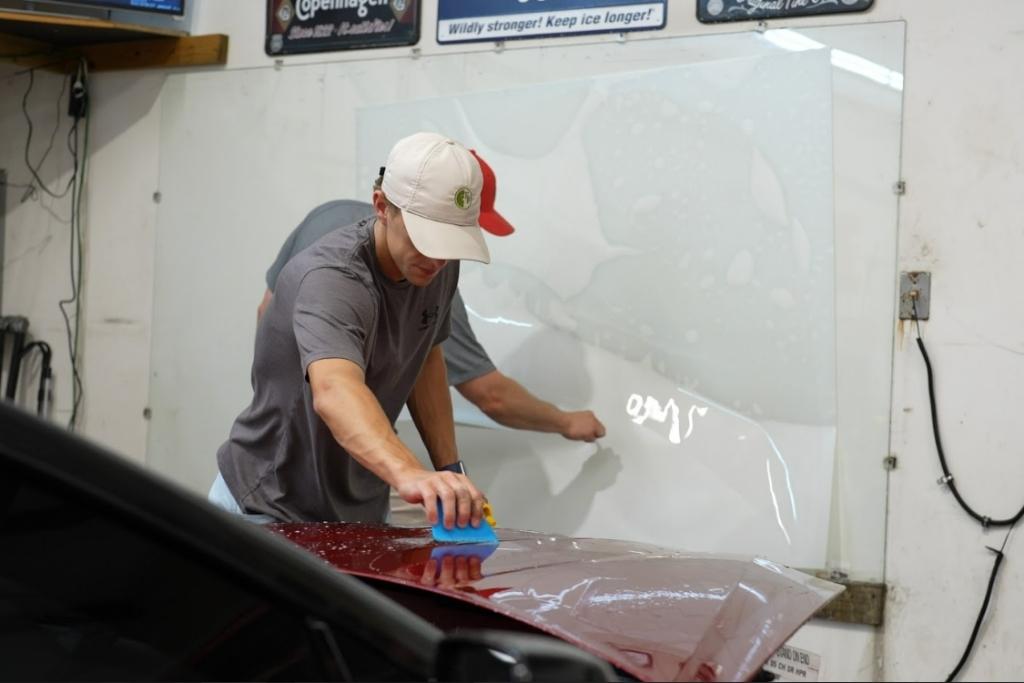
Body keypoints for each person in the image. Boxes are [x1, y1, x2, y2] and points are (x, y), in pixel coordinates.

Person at [211, 132, 494, 530]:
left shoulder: (436, 267)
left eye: (450, 243)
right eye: (426, 238)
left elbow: (426, 358)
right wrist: (411, 475)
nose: (438, 259)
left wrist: (449, 468)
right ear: (382, 206)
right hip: (269, 504)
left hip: (359, 507)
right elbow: (334, 390)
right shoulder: (333, 278)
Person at [259, 151, 606, 447]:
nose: (442, 255)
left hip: (271, 437)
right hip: (331, 458)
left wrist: (280, 404)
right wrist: (565, 422)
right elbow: (490, 394)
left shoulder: (329, 215)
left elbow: (268, 312)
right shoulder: (419, 271)